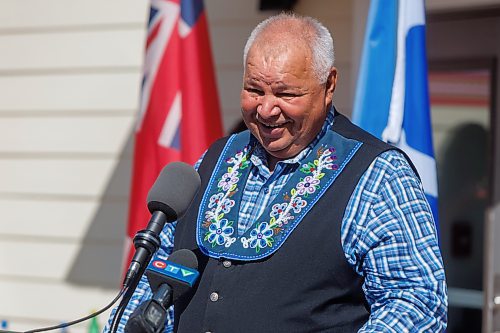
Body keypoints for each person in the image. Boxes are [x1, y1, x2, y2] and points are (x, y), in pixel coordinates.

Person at [106, 13, 447, 332]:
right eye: (254, 90)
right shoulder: (213, 159)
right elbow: (159, 270)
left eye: (285, 93)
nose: (266, 109)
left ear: (328, 86)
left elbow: (416, 302)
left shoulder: (378, 173)